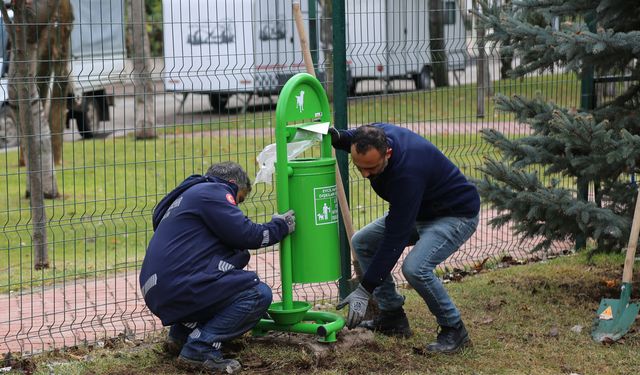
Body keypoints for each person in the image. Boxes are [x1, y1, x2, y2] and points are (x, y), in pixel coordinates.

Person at [331, 123, 480, 354]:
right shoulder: (376, 134)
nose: (365, 174)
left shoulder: (407, 173)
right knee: (363, 241)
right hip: (420, 210)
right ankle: (392, 318)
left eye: (371, 168)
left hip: (454, 215)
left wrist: (364, 289)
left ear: (387, 153)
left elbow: (394, 238)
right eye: (359, 167)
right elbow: (352, 136)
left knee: (416, 268)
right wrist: (337, 136)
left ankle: (454, 329)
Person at [139, 162, 295, 373]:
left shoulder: (186, 196)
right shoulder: (213, 192)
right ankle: (200, 348)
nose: (235, 207)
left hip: (157, 288)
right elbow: (246, 234)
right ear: (232, 184)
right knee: (256, 294)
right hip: (178, 285)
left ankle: (181, 336)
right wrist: (280, 226)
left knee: (227, 277)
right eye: (238, 200)